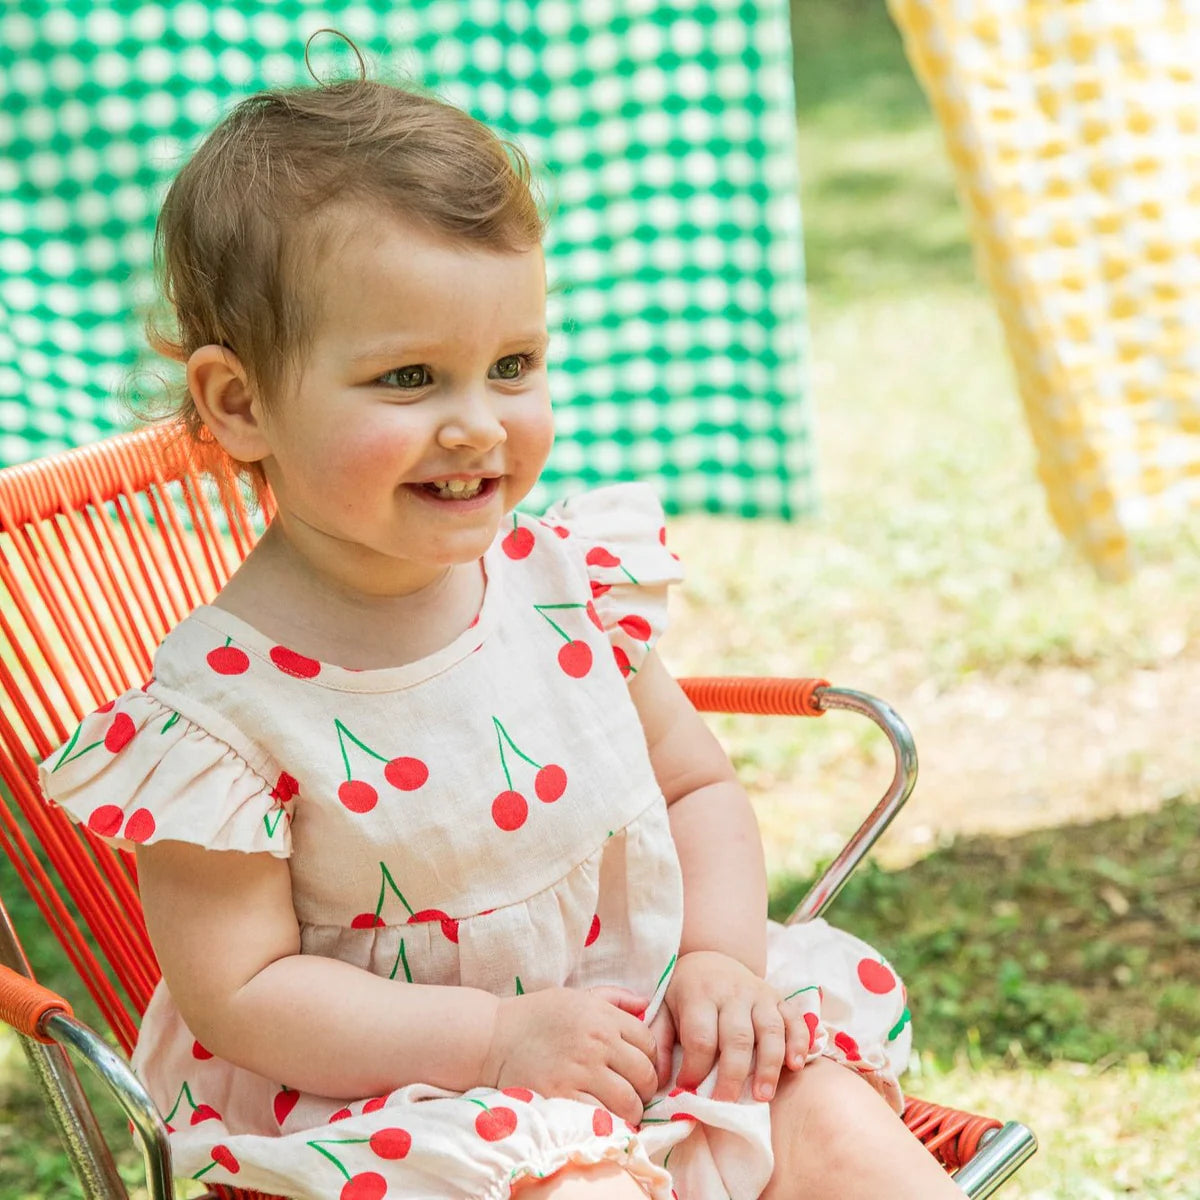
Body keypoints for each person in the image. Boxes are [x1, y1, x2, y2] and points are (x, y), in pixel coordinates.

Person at [39, 66, 964, 1200]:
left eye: (513, 367)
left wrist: (719, 959)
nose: (479, 425)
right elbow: (245, 993)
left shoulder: (562, 578)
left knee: (836, 1127)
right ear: (238, 404)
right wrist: (492, 1044)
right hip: (412, 1104)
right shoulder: (223, 720)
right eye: (410, 378)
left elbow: (693, 791)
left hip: (647, 1026)